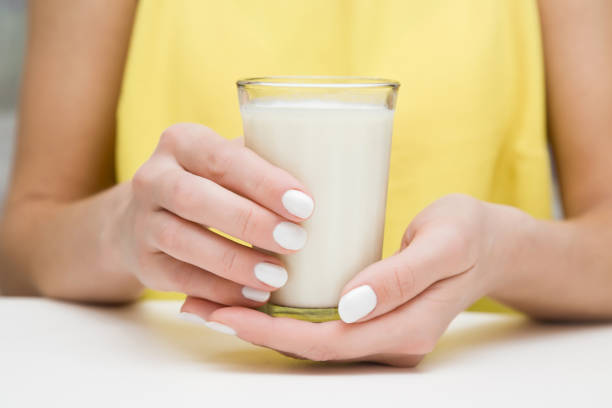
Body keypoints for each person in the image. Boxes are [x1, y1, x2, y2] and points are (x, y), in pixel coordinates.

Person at [1, 0, 611, 367]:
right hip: (179, 379)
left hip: (474, 386)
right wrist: (120, 230)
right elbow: (20, 249)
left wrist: (501, 253)